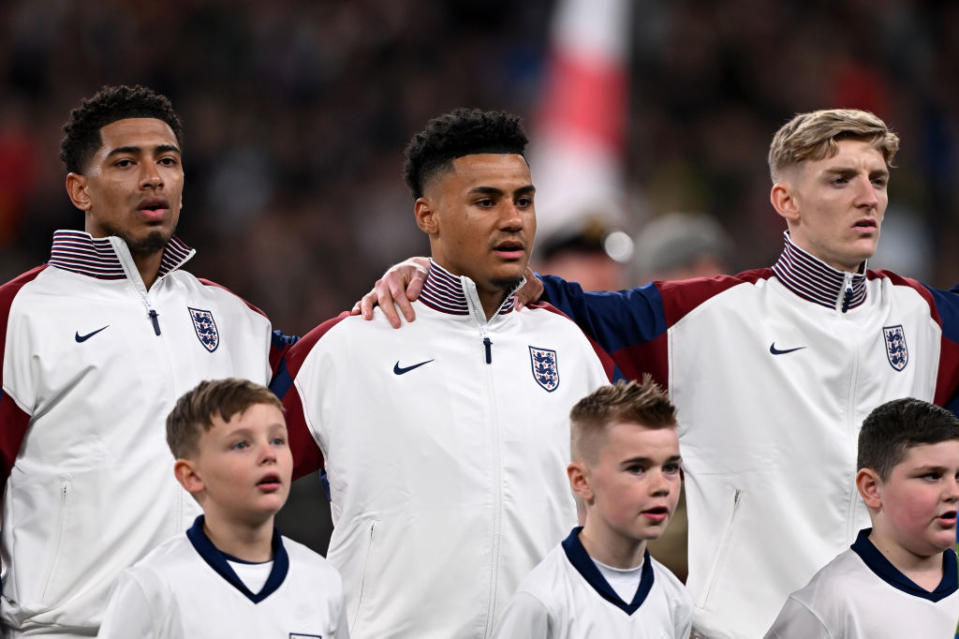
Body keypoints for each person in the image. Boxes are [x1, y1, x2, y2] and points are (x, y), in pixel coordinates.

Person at [356, 108, 959, 638]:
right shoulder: (709, 317)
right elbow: (561, 303)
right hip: (745, 627)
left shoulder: (928, 318)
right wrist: (427, 270)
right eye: (841, 179)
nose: (868, 196)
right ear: (786, 201)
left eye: (877, 180)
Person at [269, 108, 611, 638]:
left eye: (524, 200)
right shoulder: (352, 345)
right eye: (485, 201)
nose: (513, 219)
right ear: (427, 216)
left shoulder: (568, 346)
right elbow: (234, 477)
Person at [0, 85, 294, 637]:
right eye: (126, 162)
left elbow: (344, 378)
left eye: (167, 160)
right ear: (79, 189)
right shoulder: (18, 314)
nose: (153, 178)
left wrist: (416, 281)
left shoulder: (237, 320)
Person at [97, 378, 348, 638]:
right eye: (241, 444)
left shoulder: (322, 581)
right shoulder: (151, 587)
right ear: (191, 476)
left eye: (277, 440)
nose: (268, 454)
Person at [494, 378, 692, 638]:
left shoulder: (675, 600)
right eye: (637, 468)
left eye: (669, 467)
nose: (661, 487)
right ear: (581, 481)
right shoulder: (541, 602)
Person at [765, 397, 959, 637]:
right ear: (872, 488)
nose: (954, 492)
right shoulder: (829, 604)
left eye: (958, 476)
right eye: (932, 475)